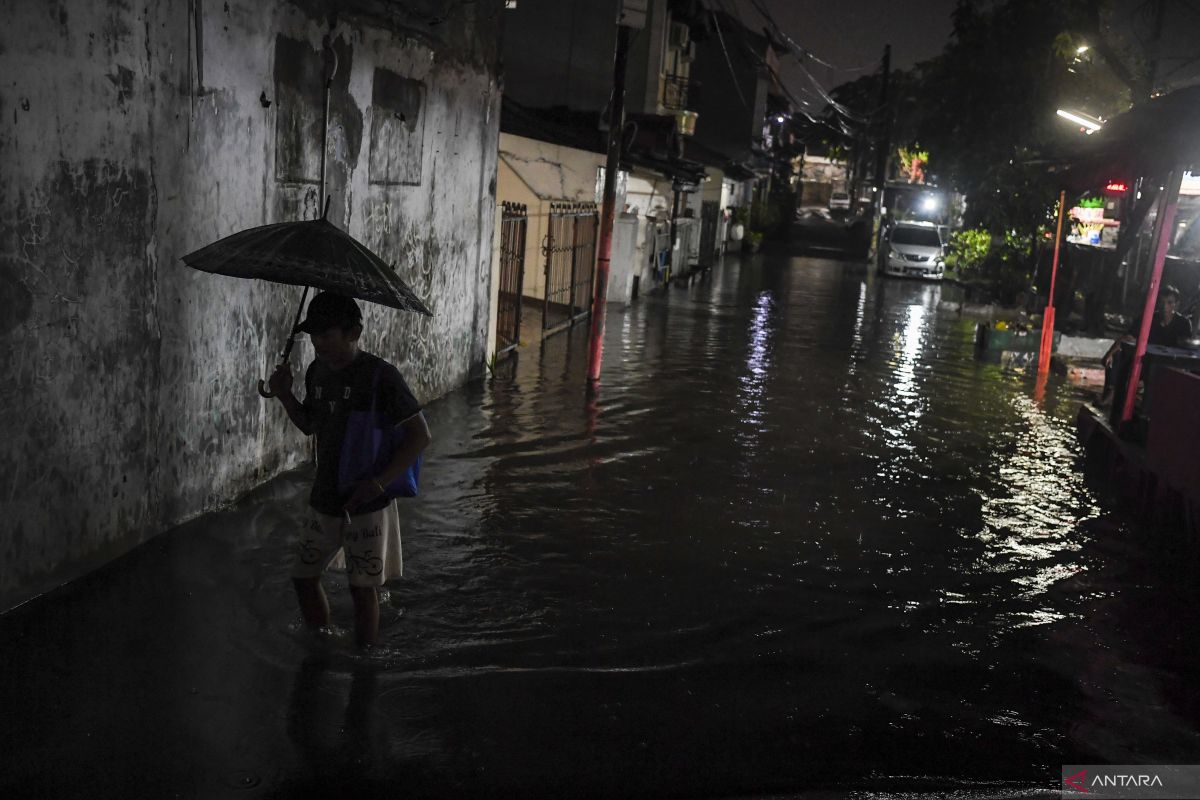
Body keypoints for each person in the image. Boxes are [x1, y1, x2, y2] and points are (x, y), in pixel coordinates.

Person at [267, 292, 432, 648]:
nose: (318, 343)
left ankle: (364, 663)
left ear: (354, 332)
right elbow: (311, 424)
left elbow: (420, 436)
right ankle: (320, 644)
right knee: (303, 576)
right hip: (325, 493)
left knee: (362, 588)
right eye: (314, 335)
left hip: (367, 500)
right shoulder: (317, 372)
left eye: (327, 334)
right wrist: (285, 395)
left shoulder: (381, 377)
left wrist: (378, 483)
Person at [1100, 285, 1193, 404]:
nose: (1165, 306)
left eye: (1169, 303)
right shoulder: (1148, 318)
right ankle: (1112, 397)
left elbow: (1186, 347)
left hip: (1170, 365)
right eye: (1162, 302)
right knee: (1119, 361)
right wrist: (1109, 354)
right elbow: (1128, 337)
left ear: (1176, 304)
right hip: (1146, 362)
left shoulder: (1183, 323)